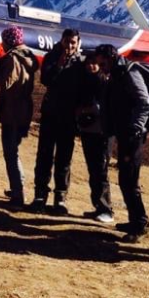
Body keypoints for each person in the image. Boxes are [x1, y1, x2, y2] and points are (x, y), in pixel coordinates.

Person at [95, 44, 149, 242]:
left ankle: (141, 225)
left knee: (130, 181)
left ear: (110, 58)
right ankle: (135, 221)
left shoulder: (128, 72)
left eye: (102, 63)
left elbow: (144, 102)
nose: (100, 67)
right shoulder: (117, 73)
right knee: (126, 180)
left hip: (132, 137)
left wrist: (134, 128)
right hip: (124, 134)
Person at [32, 28, 83, 214]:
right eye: (67, 42)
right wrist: (59, 65)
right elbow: (45, 79)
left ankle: (60, 198)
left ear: (78, 44)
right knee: (44, 155)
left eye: (73, 43)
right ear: (61, 41)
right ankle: (40, 195)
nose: (69, 46)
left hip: (69, 118)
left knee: (64, 159)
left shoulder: (80, 63)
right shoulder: (51, 57)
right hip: (50, 114)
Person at [0, 25, 39, 208]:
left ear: (8, 41)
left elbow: (7, 83)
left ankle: (18, 193)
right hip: (24, 110)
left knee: (10, 152)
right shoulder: (28, 56)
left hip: (12, 111)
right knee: (14, 150)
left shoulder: (12, 58)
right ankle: (18, 186)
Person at [75, 51, 114, 223]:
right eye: (88, 62)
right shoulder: (85, 81)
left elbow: (105, 108)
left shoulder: (104, 82)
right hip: (88, 130)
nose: (91, 66)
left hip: (101, 132)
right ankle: (98, 205)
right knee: (93, 170)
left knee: (101, 170)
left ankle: (106, 208)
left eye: (94, 62)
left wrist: (87, 110)